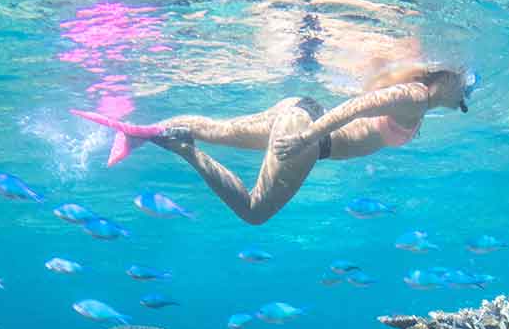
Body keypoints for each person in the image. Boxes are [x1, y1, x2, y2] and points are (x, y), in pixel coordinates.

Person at [72, 63, 477, 225]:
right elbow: (360, 106)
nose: (467, 95)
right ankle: (184, 150)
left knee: (217, 128)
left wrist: (305, 127)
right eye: (467, 84)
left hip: (299, 109)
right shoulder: (415, 97)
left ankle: (137, 132)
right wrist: (307, 137)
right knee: (254, 211)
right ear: (449, 77)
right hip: (308, 137)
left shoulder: (419, 101)